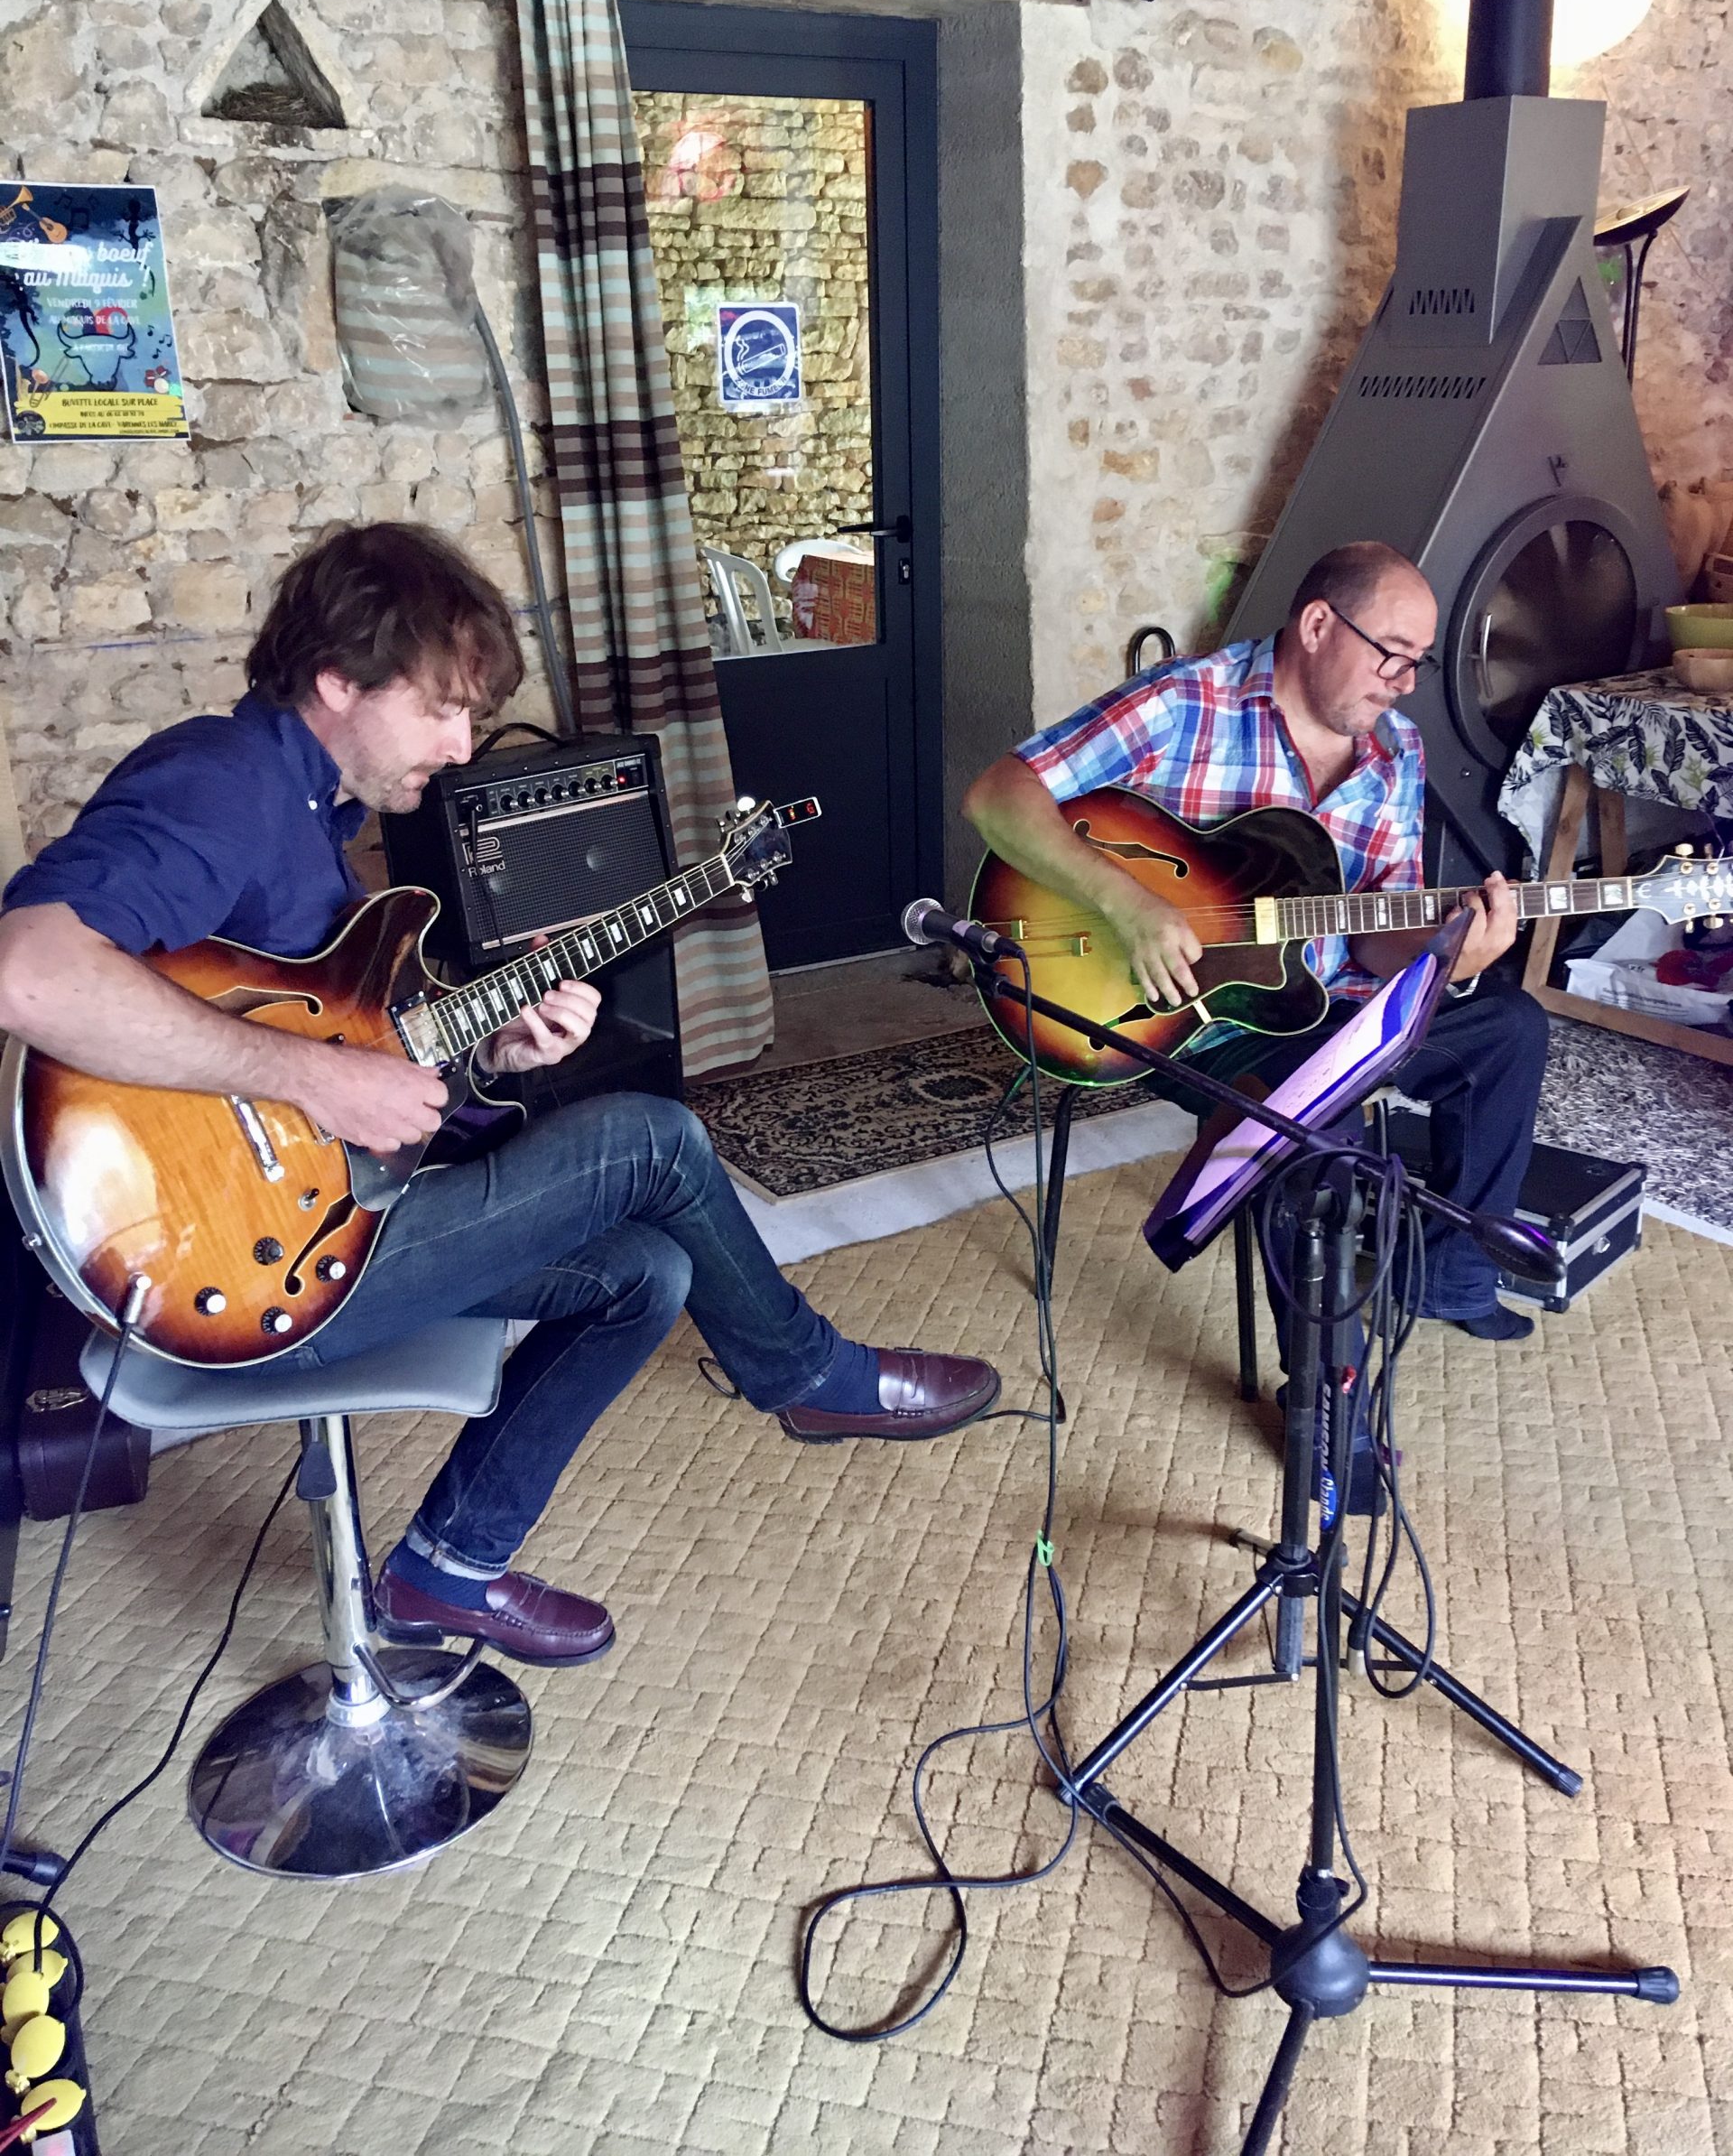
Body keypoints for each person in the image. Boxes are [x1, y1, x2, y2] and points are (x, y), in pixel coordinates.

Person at [0, 523, 999, 1669]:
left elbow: (358, 1066)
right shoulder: (220, 783)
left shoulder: (317, 822)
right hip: (215, 1271)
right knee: (652, 1140)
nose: (462, 745)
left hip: (322, 1223)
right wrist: (313, 1073)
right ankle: (809, 1372)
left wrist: (495, 1054)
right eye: (442, 709)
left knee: (649, 1270)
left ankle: (446, 1567)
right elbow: (30, 972)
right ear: (337, 679)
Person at [963, 538, 1548, 1346]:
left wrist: (1450, 957)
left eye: (1419, 661)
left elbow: (1373, 938)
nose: (1406, 682)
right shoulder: (1184, 702)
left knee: (1511, 1027)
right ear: (1318, 625)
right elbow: (997, 797)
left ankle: (1453, 1277)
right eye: (1392, 654)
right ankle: (1324, 1395)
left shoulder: (1398, 752)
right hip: (1192, 1016)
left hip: (1332, 1003)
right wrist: (1127, 902)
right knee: (1322, 1140)